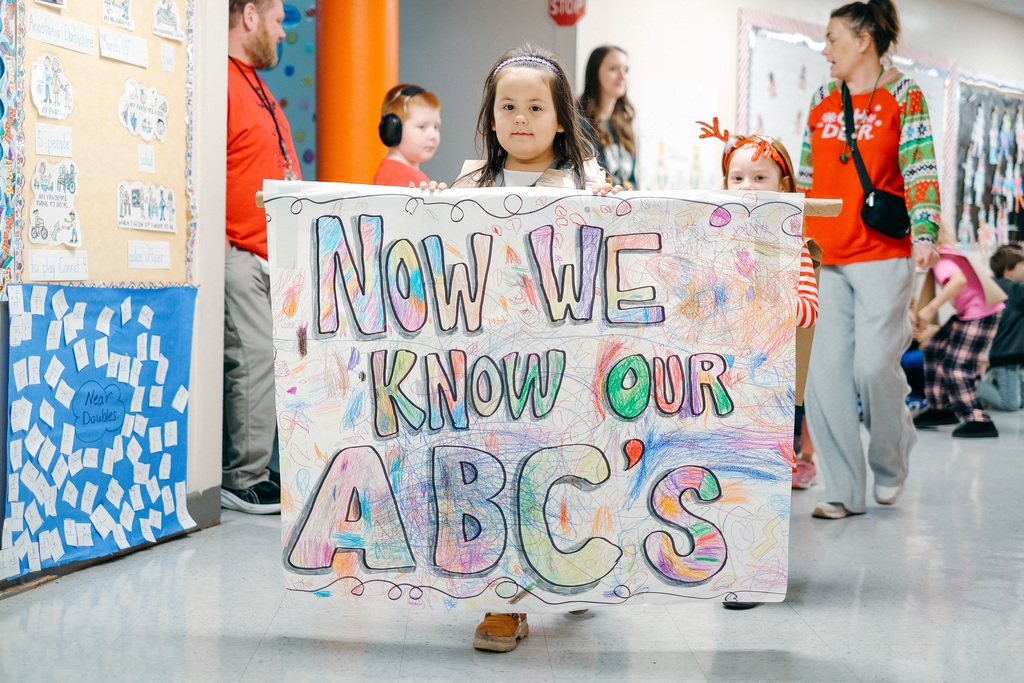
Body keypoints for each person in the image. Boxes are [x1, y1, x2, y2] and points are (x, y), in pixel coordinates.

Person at [449, 44, 605, 652]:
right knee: (495, 476)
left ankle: (573, 569)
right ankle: (502, 603)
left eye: (536, 107)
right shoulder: (467, 183)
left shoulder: (592, 185)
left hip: (566, 364)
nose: (520, 118)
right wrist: (430, 212)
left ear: (562, 117)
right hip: (486, 369)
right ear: (490, 117)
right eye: (507, 106)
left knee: (563, 474)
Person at [796, 0, 941, 520]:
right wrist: (795, 234)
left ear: (863, 40)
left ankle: (890, 461)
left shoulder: (904, 94)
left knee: (873, 367)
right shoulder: (821, 98)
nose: (825, 48)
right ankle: (843, 491)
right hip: (824, 254)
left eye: (833, 38)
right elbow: (808, 177)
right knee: (824, 375)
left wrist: (925, 229)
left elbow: (920, 165)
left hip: (883, 251)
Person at [712, 129, 819, 609]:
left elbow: (807, 312)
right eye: (738, 177)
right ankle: (730, 565)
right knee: (727, 481)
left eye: (760, 176)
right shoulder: (713, 241)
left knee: (766, 485)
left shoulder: (796, 243)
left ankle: (756, 573)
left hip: (773, 391)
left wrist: (762, 299)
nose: (749, 186)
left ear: (784, 184)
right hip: (724, 387)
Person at [222, 0, 296, 514]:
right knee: (252, 361)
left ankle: (267, 465)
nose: (283, 32)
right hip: (238, 252)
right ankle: (242, 475)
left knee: (277, 364)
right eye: (277, 20)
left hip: (272, 256)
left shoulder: (255, 83)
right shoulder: (223, 82)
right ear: (249, 16)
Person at [912, 235, 1005, 437]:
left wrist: (931, 308)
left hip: (980, 314)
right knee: (935, 348)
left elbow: (958, 281)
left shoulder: (941, 258)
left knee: (956, 367)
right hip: (969, 312)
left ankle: (977, 418)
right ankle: (940, 408)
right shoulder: (945, 254)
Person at [578, 46, 637, 189]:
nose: (622, 77)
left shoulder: (623, 125)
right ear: (595, 73)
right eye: (613, 69)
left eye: (626, 70)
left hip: (626, 206)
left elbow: (632, 180)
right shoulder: (578, 122)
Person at [977, 245, 1024, 411]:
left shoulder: (998, 286)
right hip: (1006, 357)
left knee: (1019, 402)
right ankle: (970, 385)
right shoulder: (1014, 288)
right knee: (1009, 404)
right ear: (1008, 270)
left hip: (1010, 356)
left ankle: (992, 383)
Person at [372, 84, 442, 187]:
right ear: (393, 128)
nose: (433, 135)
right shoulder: (407, 179)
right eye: (422, 127)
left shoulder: (387, 171)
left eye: (436, 127)